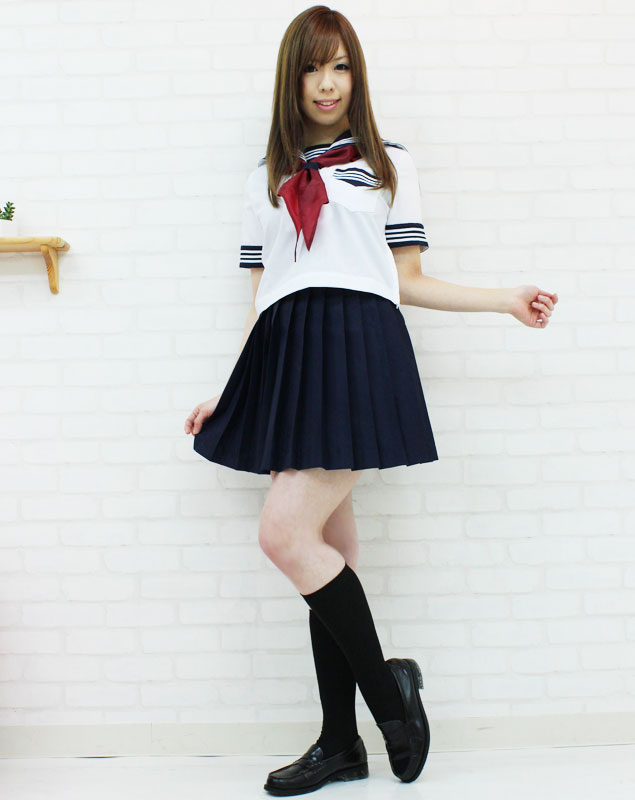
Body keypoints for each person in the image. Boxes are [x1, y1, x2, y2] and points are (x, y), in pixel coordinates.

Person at [184, 5, 558, 796]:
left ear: (355, 76)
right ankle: (339, 743)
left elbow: (405, 279)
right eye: (312, 68)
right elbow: (262, 295)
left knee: (285, 534)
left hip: (357, 347)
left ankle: (389, 702)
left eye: (341, 67)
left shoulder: (387, 164)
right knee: (329, 554)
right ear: (291, 80)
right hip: (287, 357)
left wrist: (501, 299)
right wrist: (230, 391)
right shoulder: (264, 178)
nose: (327, 84)